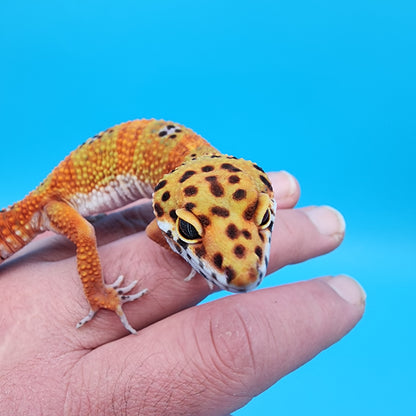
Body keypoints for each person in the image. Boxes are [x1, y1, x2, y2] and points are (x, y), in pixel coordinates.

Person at [0, 171, 365, 415]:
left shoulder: (207, 181)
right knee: (85, 234)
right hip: (51, 203)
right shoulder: (183, 191)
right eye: (191, 230)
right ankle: (97, 295)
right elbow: (155, 231)